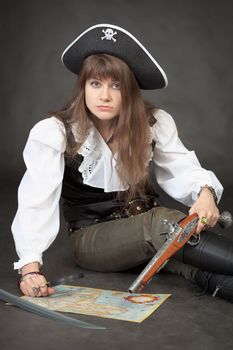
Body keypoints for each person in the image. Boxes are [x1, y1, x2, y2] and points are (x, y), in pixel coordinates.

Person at [12, 23, 233, 302]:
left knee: (183, 264)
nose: (104, 96)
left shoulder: (153, 123)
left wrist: (205, 193)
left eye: (116, 85)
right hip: (93, 240)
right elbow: (36, 199)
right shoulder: (56, 132)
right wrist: (30, 269)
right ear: (83, 87)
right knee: (166, 223)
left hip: (150, 231)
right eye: (95, 84)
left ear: (129, 90)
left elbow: (182, 168)